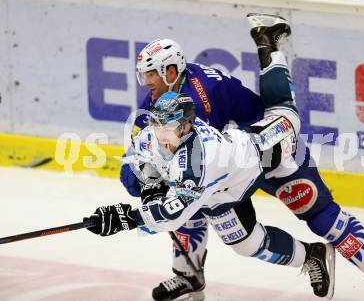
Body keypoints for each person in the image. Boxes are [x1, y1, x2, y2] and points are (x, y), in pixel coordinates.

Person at [119, 14, 364, 301]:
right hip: (229, 172)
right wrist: (142, 180)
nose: (145, 82)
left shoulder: (203, 95)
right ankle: (191, 274)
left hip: (271, 150)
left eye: (150, 74)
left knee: (317, 213)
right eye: (143, 75)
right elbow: (137, 155)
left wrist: (146, 200)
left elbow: (189, 172)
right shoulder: (161, 100)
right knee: (236, 238)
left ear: (171, 72)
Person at [85, 34, 338, 299]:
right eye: (157, 124)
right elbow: (139, 161)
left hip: (247, 165)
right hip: (216, 183)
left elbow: (174, 212)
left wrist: (126, 219)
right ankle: (191, 274)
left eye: (168, 128)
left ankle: (269, 44)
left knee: (285, 113)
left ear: (186, 127)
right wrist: (147, 186)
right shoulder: (160, 129)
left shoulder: (199, 159)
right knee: (231, 237)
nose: (160, 134)